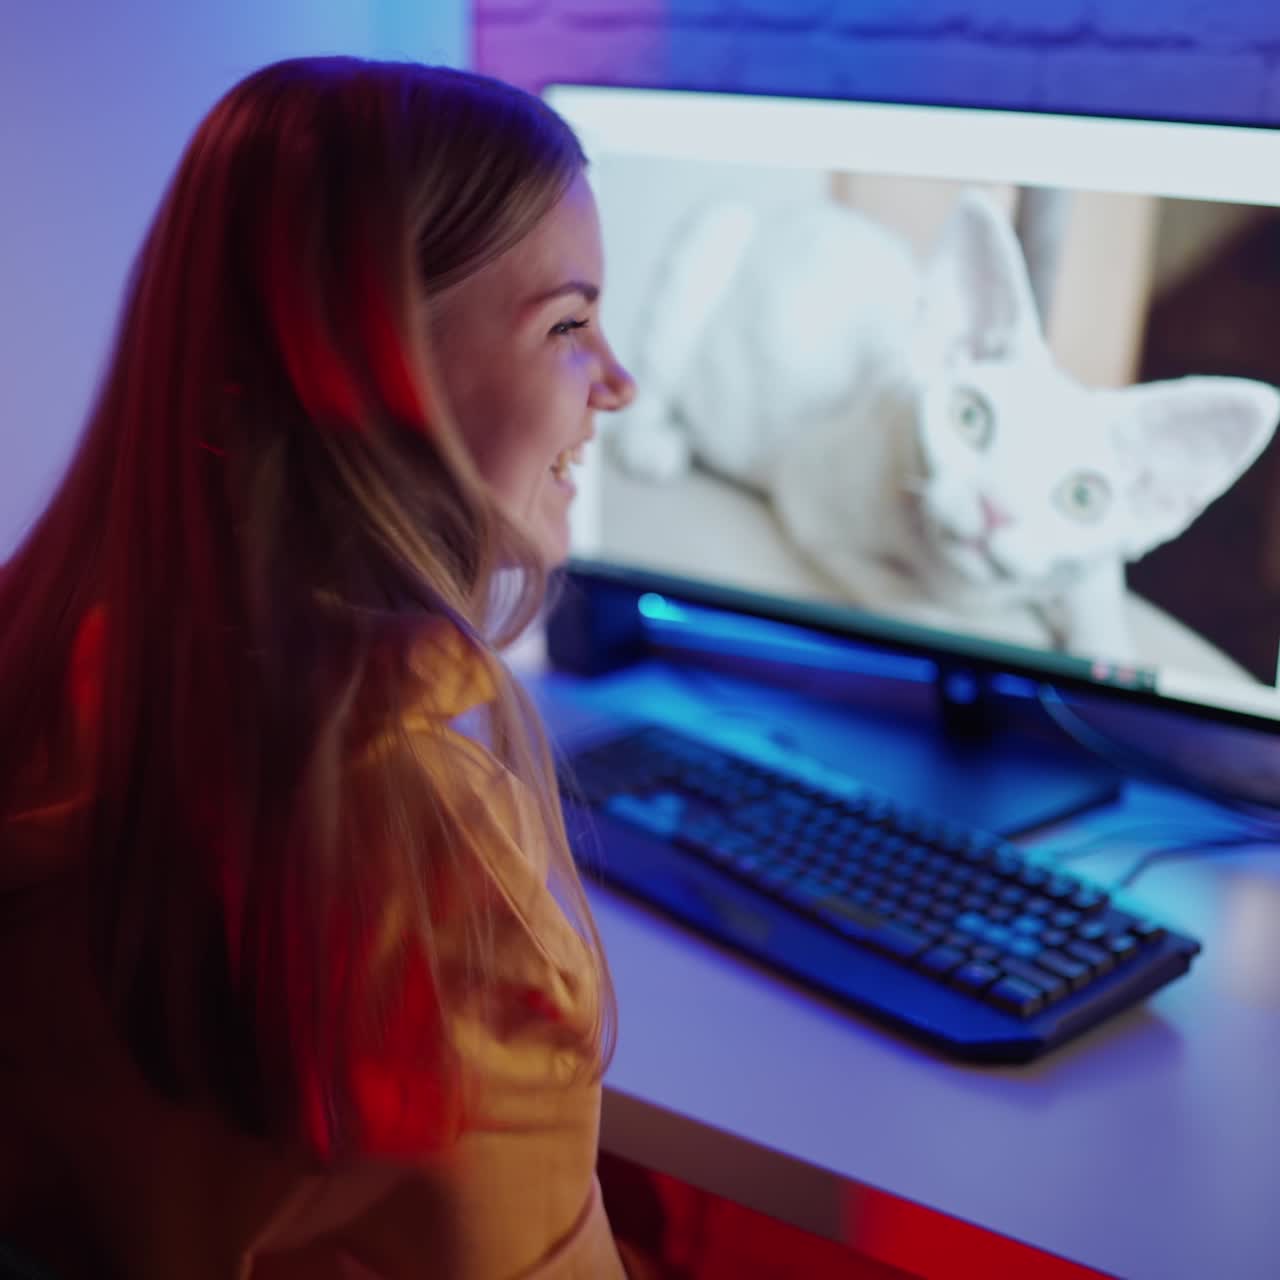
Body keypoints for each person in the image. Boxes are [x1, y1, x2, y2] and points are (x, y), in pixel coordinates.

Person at [0, 56, 639, 1279]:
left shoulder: (45, 670)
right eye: (568, 324)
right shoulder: (443, 880)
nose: (616, 380)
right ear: (369, 367)